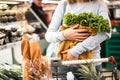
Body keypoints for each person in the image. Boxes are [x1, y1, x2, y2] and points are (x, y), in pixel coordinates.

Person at [45, 0, 111, 79]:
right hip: (65, 64)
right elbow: (49, 35)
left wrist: (75, 51)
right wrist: (65, 34)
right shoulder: (64, 4)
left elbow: (105, 33)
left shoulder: (98, 4)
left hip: (90, 64)